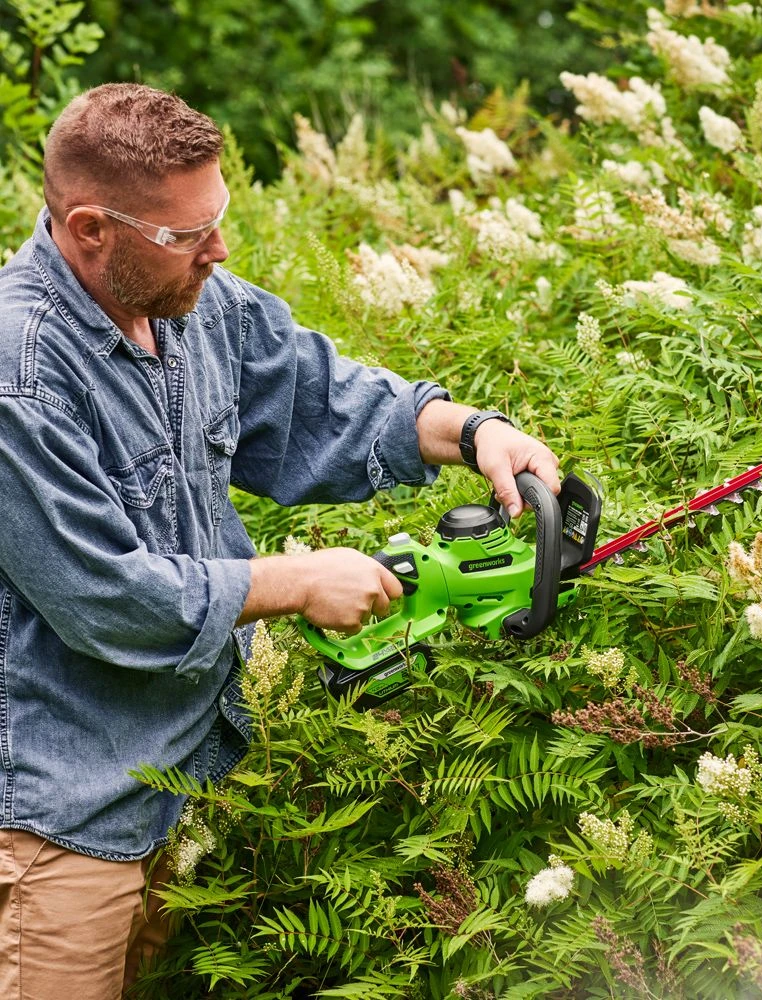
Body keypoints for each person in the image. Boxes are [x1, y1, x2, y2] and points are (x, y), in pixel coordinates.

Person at [0, 83, 560, 998]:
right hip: (61, 830)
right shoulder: (19, 376)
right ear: (90, 229)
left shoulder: (189, 295)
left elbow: (318, 398)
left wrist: (469, 434)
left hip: (189, 788)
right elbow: (106, 597)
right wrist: (297, 581)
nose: (217, 251)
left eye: (218, 219)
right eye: (187, 234)